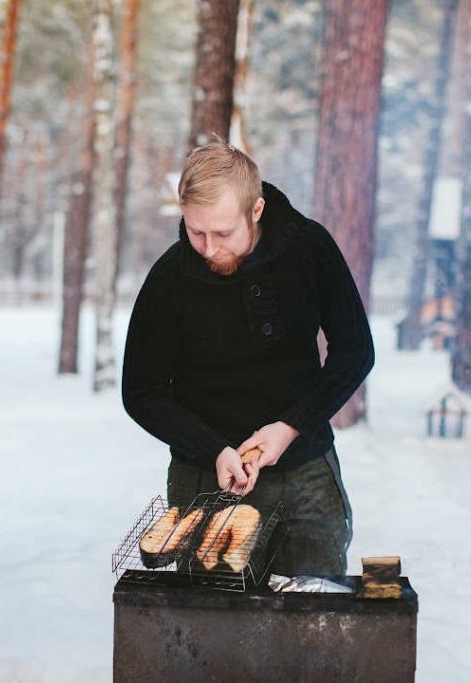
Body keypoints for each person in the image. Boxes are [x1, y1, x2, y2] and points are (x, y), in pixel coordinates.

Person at [121, 139, 374, 576]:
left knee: (314, 605)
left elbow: (355, 351)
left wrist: (290, 426)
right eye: (195, 232)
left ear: (256, 210)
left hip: (305, 472)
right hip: (205, 478)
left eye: (223, 233)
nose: (208, 248)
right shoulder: (169, 279)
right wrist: (213, 449)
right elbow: (141, 392)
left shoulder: (309, 249)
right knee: (211, 614)